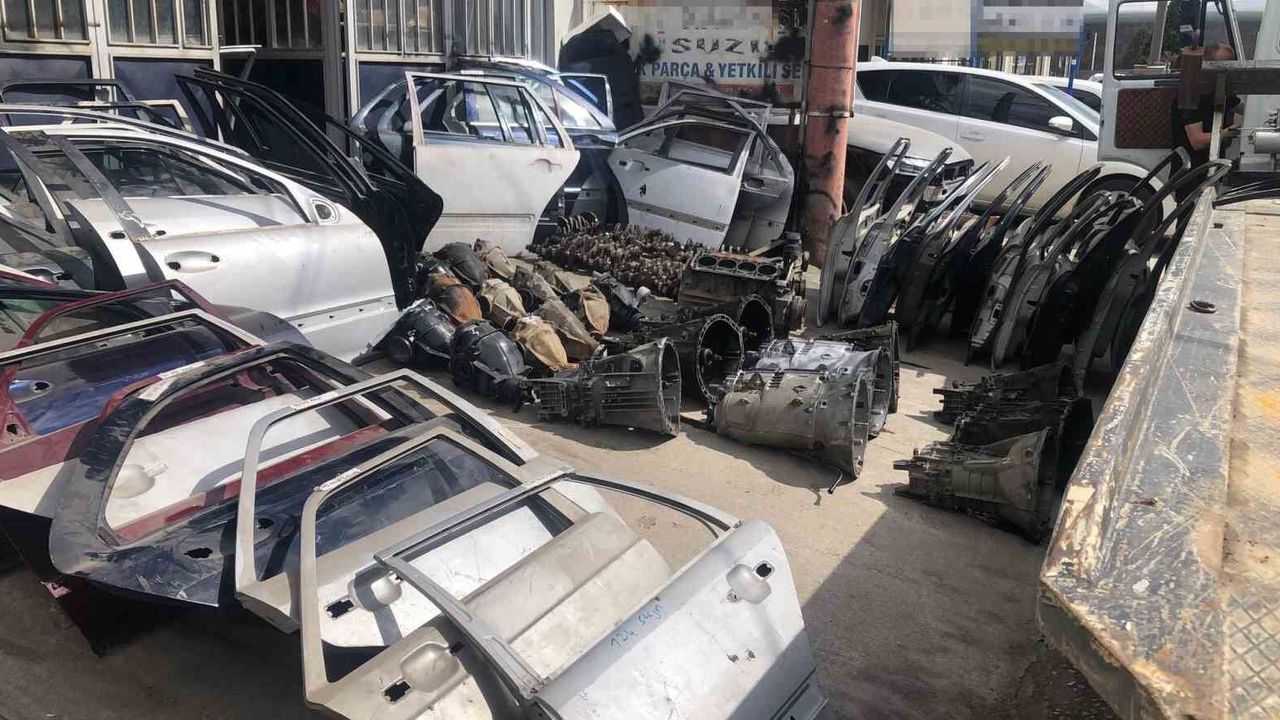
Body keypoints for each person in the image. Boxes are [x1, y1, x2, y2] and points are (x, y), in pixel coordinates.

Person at [1172, 42, 1243, 169]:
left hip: (1213, 167)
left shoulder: (1218, 92)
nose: (1229, 72)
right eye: (1225, 65)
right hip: (1191, 172)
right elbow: (1197, 141)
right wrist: (1228, 132)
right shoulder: (1190, 96)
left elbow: (1247, 109)